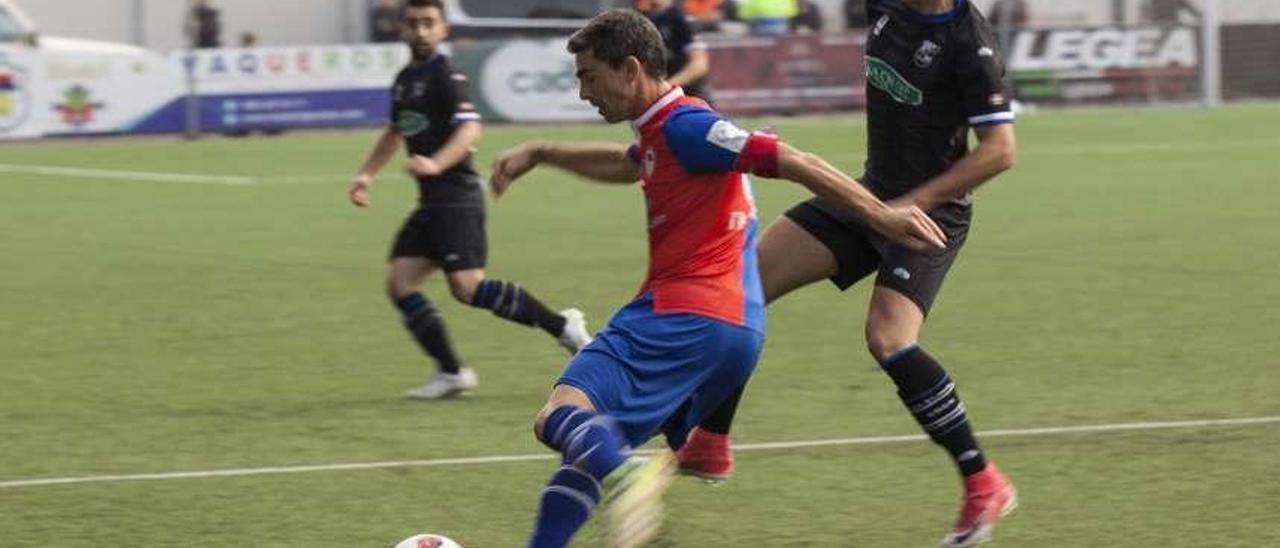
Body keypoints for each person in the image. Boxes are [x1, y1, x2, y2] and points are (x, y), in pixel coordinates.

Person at [490, 9, 948, 548]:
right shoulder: (663, 132)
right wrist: (541, 152)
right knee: (591, 450)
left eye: (589, 76)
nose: (583, 91)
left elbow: (788, 157)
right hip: (733, 332)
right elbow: (624, 164)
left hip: (682, 316)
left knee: (559, 416)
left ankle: (632, 474)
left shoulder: (688, 126)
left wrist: (881, 215)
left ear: (631, 69)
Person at [676, 0, 1020, 546]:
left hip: (933, 212)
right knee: (739, 289)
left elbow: (1000, 151)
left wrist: (913, 203)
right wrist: (880, 205)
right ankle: (711, 440)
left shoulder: (969, 42)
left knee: (888, 339)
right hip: (864, 196)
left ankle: (983, 482)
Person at [346, 0, 592, 400]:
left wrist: (435, 164)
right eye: (413, 24)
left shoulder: (447, 75)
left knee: (468, 287)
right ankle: (451, 372)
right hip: (432, 203)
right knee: (401, 283)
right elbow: (394, 133)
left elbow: (470, 131)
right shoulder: (405, 79)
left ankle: (563, 326)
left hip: (457, 196)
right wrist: (365, 174)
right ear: (402, 30)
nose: (421, 31)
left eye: (429, 23)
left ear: (444, 29)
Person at [634, 0, 713, 103]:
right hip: (661, 98)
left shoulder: (681, 18)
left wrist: (667, 86)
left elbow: (699, 65)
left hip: (689, 96)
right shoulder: (642, 18)